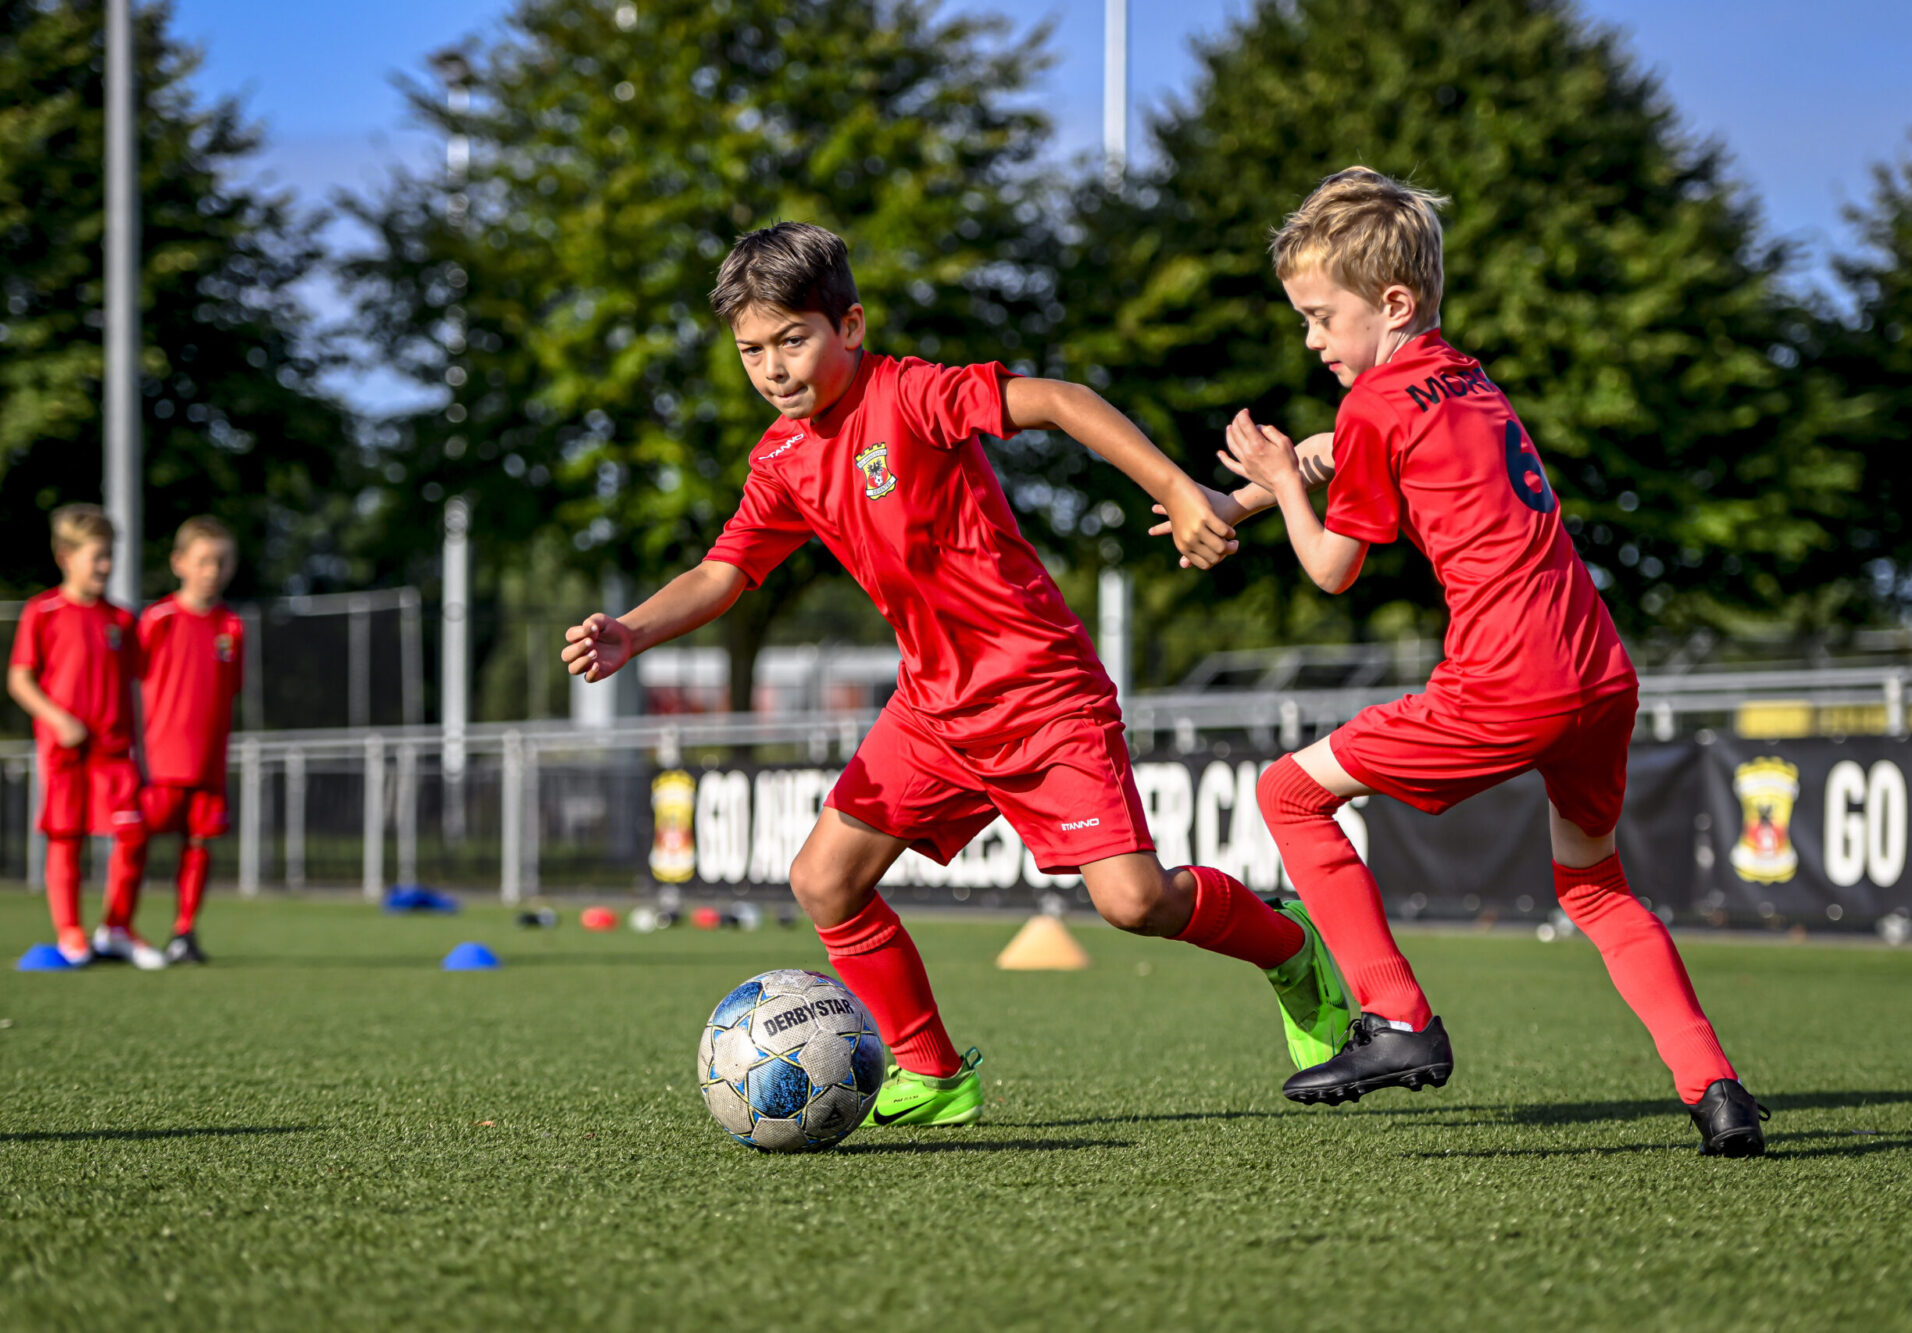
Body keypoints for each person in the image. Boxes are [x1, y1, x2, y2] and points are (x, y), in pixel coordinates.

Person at [564, 221, 1350, 1126]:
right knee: (825, 879)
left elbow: (1057, 399)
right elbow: (721, 573)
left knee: (1136, 902)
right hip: (933, 712)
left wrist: (1177, 488)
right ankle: (931, 1070)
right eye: (752, 350)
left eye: (793, 339)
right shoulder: (779, 462)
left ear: (849, 327)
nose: (773, 368)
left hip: (1043, 693)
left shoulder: (910, 394)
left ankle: (1291, 950)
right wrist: (630, 631)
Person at [1217, 167, 1765, 1156]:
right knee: (1594, 887)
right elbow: (1361, 442)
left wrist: (1276, 487)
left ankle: (1395, 1019)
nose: (1308, 341)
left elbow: (1332, 567)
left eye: (1317, 318)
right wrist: (1270, 479)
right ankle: (1714, 1086)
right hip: (1597, 672)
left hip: (1504, 685)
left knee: (1287, 794)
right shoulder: (1463, 375)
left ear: (1391, 303)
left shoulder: (1373, 408)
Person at [7, 505, 159, 969]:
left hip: (114, 752)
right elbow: (19, 679)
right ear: (65, 556)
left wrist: (144, 748)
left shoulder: (121, 620)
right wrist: (57, 719)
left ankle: (116, 927)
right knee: (66, 838)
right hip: (66, 751)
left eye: (110, 555)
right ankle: (70, 931)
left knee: (133, 834)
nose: (106, 566)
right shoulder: (43, 611)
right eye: (97, 556)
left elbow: (136, 687)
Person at [137, 516, 246, 965]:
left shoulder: (232, 627)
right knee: (134, 840)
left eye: (220, 562)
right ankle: (117, 927)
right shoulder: (157, 620)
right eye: (203, 561)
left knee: (199, 844)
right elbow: (131, 683)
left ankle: (184, 931)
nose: (211, 571)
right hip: (158, 760)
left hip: (208, 760)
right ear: (179, 563)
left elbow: (230, 689)